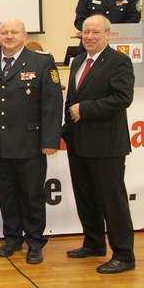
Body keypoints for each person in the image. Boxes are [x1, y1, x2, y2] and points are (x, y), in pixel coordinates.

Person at [0, 18, 62, 264]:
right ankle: (12, 238)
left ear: (24, 35)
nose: (9, 36)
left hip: (30, 143)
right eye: (4, 32)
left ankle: (35, 241)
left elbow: (52, 105)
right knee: (6, 194)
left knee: (32, 195)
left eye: (14, 32)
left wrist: (50, 140)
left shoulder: (42, 62)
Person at [62, 14, 136, 274]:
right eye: (86, 33)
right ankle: (94, 243)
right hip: (79, 144)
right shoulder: (79, 60)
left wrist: (86, 109)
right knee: (86, 198)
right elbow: (71, 100)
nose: (90, 37)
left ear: (108, 34)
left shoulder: (119, 62)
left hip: (106, 146)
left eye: (95, 32)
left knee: (112, 202)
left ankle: (124, 255)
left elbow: (122, 98)